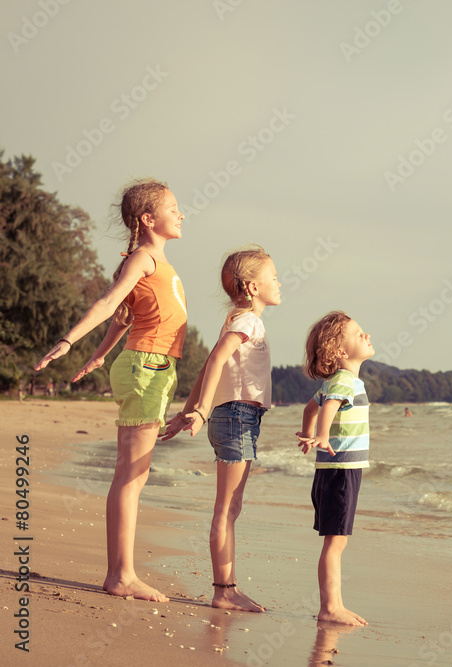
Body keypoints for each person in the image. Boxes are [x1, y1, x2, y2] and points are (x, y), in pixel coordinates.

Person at [34, 178, 186, 603]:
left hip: (152, 368)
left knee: (134, 474)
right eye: (173, 208)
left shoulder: (152, 261)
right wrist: (69, 340)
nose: (181, 214)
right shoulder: (142, 258)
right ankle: (121, 575)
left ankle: (122, 572)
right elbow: (107, 302)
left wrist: (100, 356)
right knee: (131, 474)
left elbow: (124, 318)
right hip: (147, 368)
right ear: (148, 219)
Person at [161, 245, 279, 612]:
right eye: (273, 277)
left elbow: (210, 367)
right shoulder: (247, 321)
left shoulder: (236, 319)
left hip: (237, 417)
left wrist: (187, 412)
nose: (279, 282)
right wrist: (198, 410)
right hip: (237, 417)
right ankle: (224, 590)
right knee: (226, 509)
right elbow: (214, 360)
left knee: (231, 508)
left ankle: (225, 588)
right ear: (252, 287)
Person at [296, 311, 373, 626]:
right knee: (336, 540)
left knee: (336, 538)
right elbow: (325, 407)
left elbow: (310, 407)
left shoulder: (336, 381)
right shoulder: (344, 380)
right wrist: (322, 435)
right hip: (341, 469)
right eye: (358, 334)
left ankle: (334, 604)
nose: (365, 335)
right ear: (341, 352)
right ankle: (330, 607)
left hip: (336, 469)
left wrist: (307, 433)